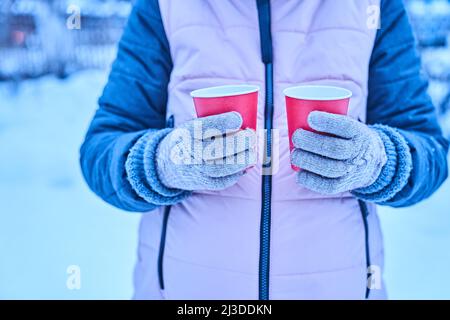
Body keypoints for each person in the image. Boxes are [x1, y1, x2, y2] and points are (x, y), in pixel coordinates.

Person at [80, 0, 449, 299]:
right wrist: (162, 163)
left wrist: (379, 161)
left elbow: (429, 150)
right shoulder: (162, 6)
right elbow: (101, 149)